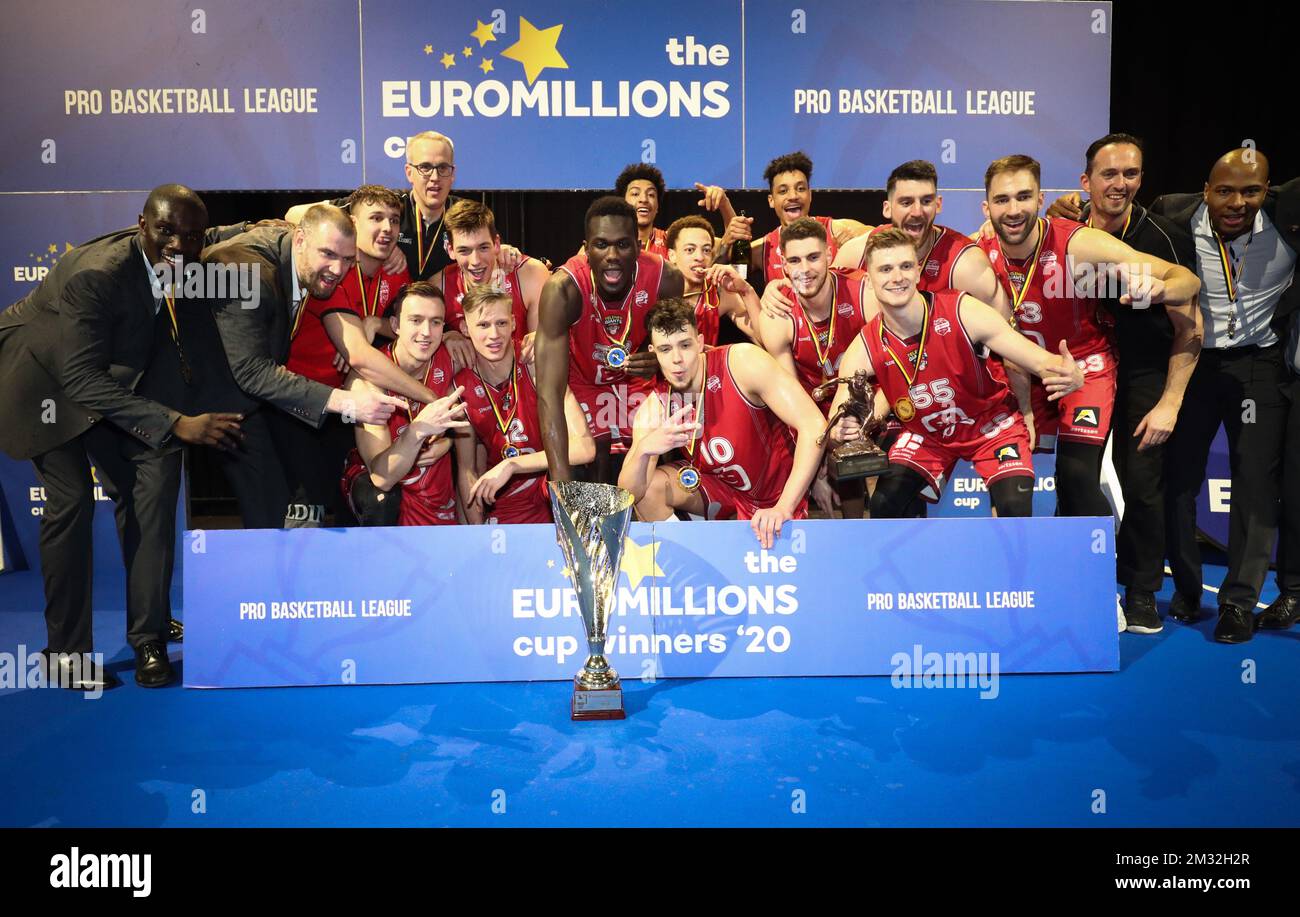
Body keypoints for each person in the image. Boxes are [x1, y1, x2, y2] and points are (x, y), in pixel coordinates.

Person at [0, 185, 245, 689]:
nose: (179, 245)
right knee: (70, 505)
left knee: (147, 490)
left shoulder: (181, 247)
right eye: (166, 232)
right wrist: (176, 421)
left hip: (106, 375)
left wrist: (274, 225)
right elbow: (81, 379)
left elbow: (207, 234)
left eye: (191, 236)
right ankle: (64, 655)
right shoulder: (99, 274)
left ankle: (149, 632)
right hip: (41, 380)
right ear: (142, 225)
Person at [976, 154, 1200, 520]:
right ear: (986, 207)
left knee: (1077, 478)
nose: (1013, 210)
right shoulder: (977, 255)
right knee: (1009, 484)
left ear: (1040, 198)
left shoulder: (1079, 243)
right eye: (1002, 200)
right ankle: (1017, 571)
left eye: (1023, 197)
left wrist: (1158, 289)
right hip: (1021, 373)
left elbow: (1186, 280)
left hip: (1085, 366)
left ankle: (1090, 569)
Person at [1051, 134, 1202, 634]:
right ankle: (1073, 581)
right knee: (1074, 478)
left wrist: (1170, 404)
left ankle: (1139, 592)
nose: (1120, 184)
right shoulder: (1069, 231)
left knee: (1141, 483)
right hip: (1084, 369)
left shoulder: (1165, 238)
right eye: (1109, 174)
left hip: (1144, 370)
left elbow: (1191, 327)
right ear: (1086, 181)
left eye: (1131, 174)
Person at [828, 229, 1085, 517]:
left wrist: (1068, 372)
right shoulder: (864, 346)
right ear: (869, 280)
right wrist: (842, 428)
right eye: (885, 269)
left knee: (1014, 506)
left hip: (990, 427)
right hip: (927, 435)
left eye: (905, 266)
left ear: (917, 272)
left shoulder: (961, 310)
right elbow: (842, 407)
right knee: (884, 504)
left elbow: (1036, 359)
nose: (897, 277)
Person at [1147, 150, 1295, 642]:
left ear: (1268, 191)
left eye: (1251, 191)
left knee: (1254, 479)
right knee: (1180, 478)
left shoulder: (1288, 215)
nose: (1237, 202)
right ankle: (1188, 589)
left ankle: (1238, 602)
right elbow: (1113, 229)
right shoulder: (1173, 213)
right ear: (1205, 189)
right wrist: (1072, 210)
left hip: (1259, 364)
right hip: (1194, 363)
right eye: (1225, 191)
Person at [204, 205, 406, 526]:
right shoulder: (246, 274)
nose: (337, 269)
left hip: (251, 401)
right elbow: (252, 372)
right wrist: (348, 403)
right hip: (200, 396)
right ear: (299, 240)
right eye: (327, 254)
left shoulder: (299, 256)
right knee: (269, 510)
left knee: (275, 507)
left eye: (347, 259)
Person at [280, 186, 445, 526]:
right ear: (352, 222)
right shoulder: (331, 271)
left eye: (394, 221)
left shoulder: (396, 269)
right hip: (304, 401)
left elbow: (405, 322)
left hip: (354, 403)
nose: (386, 228)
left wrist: (375, 323)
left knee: (353, 505)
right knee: (305, 512)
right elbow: (295, 214)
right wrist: (430, 399)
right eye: (375, 219)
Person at [618, 297, 827, 549]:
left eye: (684, 345)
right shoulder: (655, 406)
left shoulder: (742, 362)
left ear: (700, 342)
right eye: (665, 349)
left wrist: (784, 506)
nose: (676, 359)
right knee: (649, 488)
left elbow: (814, 424)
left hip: (777, 493)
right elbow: (629, 495)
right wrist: (644, 450)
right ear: (654, 353)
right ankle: (689, 564)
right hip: (723, 492)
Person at [536, 196, 684, 484]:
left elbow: (682, 353)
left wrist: (659, 361)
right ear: (586, 249)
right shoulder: (563, 289)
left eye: (623, 244)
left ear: (639, 247)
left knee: (652, 460)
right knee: (591, 464)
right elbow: (548, 393)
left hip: (636, 381)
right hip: (582, 380)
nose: (612, 255)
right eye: (601, 244)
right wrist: (562, 490)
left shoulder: (666, 279)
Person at [285, 130, 524, 282]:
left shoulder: (464, 214)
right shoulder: (387, 208)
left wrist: (501, 250)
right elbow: (293, 214)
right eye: (425, 167)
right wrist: (366, 241)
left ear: (452, 174)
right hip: (387, 322)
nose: (434, 177)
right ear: (409, 172)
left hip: (444, 324)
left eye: (443, 168)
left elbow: (485, 250)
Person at [452, 286, 595, 524]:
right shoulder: (461, 387)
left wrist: (513, 464)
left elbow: (585, 448)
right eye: (483, 325)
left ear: (514, 323)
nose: (494, 335)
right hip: (504, 496)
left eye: (501, 323)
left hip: (550, 485)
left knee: (575, 474)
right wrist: (478, 536)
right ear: (465, 329)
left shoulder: (535, 363)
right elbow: (467, 470)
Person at [340, 283, 469, 526]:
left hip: (439, 502)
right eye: (416, 320)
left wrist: (451, 440)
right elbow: (381, 476)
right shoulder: (365, 382)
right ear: (396, 326)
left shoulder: (453, 358)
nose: (426, 332)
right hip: (388, 495)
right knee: (379, 499)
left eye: (436, 322)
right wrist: (417, 433)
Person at [714, 151, 869, 283]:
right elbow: (730, 277)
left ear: (810, 195)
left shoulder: (840, 232)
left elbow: (888, 239)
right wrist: (725, 243)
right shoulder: (764, 249)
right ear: (771, 201)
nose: (793, 196)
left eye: (800, 189)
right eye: (783, 191)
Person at [432, 199, 548, 367]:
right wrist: (446, 336)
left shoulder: (529, 274)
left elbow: (541, 347)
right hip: (472, 386)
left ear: (497, 244)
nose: (475, 261)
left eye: (483, 248)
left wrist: (543, 337)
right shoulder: (439, 287)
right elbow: (417, 337)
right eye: (464, 250)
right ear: (450, 250)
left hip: (523, 378)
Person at [664, 215, 757, 346]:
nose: (700, 257)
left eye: (706, 250)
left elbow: (765, 340)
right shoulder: (655, 292)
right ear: (672, 255)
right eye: (690, 250)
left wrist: (747, 291)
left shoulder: (722, 294)